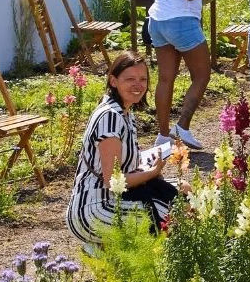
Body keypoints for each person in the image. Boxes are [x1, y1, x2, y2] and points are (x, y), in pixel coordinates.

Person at [66, 52, 181, 246]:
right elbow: (113, 180)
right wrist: (153, 172)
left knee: (183, 188)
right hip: (96, 208)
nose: (138, 85)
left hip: (117, 199)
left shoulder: (125, 114)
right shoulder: (110, 116)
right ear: (113, 81)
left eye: (143, 79)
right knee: (175, 215)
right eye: (130, 79)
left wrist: (147, 168)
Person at [140, 0, 232, 149]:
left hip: (158, 22)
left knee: (166, 79)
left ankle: (163, 135)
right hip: (181, 22)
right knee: (202, 76)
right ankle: (182, 126)